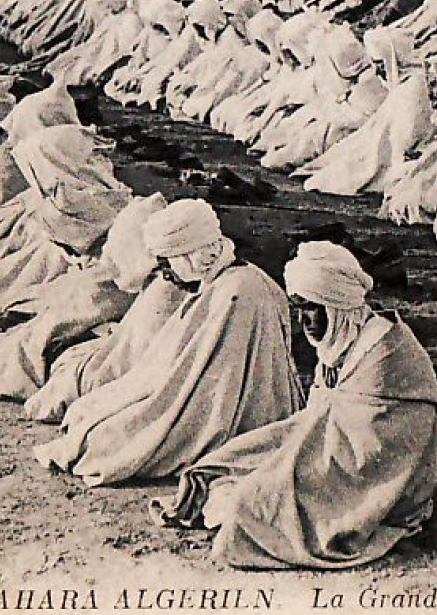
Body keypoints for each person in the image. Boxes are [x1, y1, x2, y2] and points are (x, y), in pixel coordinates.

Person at [152, 241, 437, 569]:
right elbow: (322, 421)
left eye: (310, 307)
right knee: (220, 468)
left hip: (382, 481)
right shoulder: (343, 339)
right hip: (338, 454)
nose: (303, 320)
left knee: (248, 502)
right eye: (297, 307)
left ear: (337, 304)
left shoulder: (384, 354)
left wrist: (286, 470)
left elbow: (367, 451)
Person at [35, 198, 303, 486]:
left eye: (167, 265)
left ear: (190, 255)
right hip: (208, 396)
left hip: (240, 409)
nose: (166, 276)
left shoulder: (237, 292)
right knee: (88, 414)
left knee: (106, 441)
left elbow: (214, 389)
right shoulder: (220, 282)